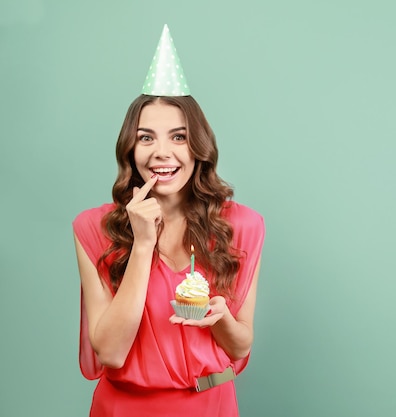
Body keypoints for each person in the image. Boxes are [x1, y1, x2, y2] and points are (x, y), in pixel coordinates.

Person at [72, 25, 265, 417]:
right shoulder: (93, 228)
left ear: (198, 147)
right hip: (124, 408)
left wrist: (220, 318)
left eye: (178, 137)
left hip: (211, 405)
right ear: (130, 149)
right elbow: (109, 350)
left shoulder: (242, 226)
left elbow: (240, 346)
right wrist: (143, 244)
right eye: (146, 138)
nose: (162, 153)